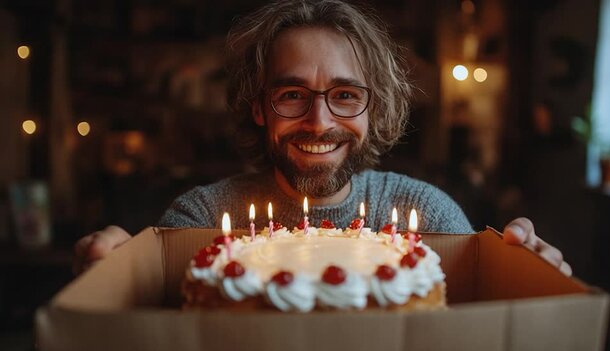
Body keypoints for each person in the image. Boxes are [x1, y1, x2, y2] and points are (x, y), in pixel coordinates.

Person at [73, 0, 571, 276]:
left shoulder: (433, 219)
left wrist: (524, 282)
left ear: (374, 109)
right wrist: (117, 282)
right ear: (258, 108)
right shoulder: (198, 221)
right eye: (292, 94)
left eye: (346, 95)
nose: (318, 121)